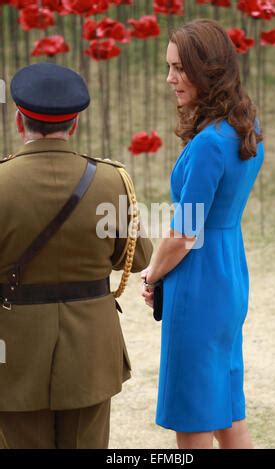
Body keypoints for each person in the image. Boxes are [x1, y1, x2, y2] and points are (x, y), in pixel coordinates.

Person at [0, 62, 153, 449]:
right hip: (91, 348)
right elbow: (136, 258)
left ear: (20, 122)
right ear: (75, 125)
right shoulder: (109, 180)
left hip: (14, 350)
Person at [142, 19, 264, 449]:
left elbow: (183, 233)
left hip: (198, 286)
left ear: (206, 69)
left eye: (179, 68)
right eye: (169, 67)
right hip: (230, 274)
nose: (170, 78)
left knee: (193, 420)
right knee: (229, 415)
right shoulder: (246, 130)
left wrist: (152, 274)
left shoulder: (210, 143)